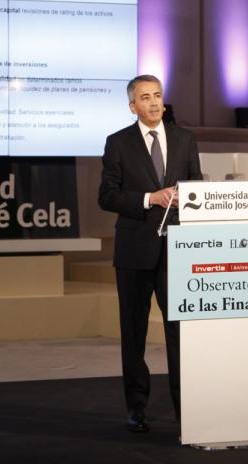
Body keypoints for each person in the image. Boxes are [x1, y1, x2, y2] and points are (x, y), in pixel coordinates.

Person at [98, 74, 203, 433]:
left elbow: (197, 187)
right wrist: (149, 199)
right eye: (145, 97)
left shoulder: (185, 139)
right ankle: (136, 408)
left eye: (158, 95)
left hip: (177, 250)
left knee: (179, 333)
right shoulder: (118, 143)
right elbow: (107, 196)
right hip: (134, 252)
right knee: (134, 333)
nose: (154, 102)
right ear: (133, 106)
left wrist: (186, 196)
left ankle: (187, 408)